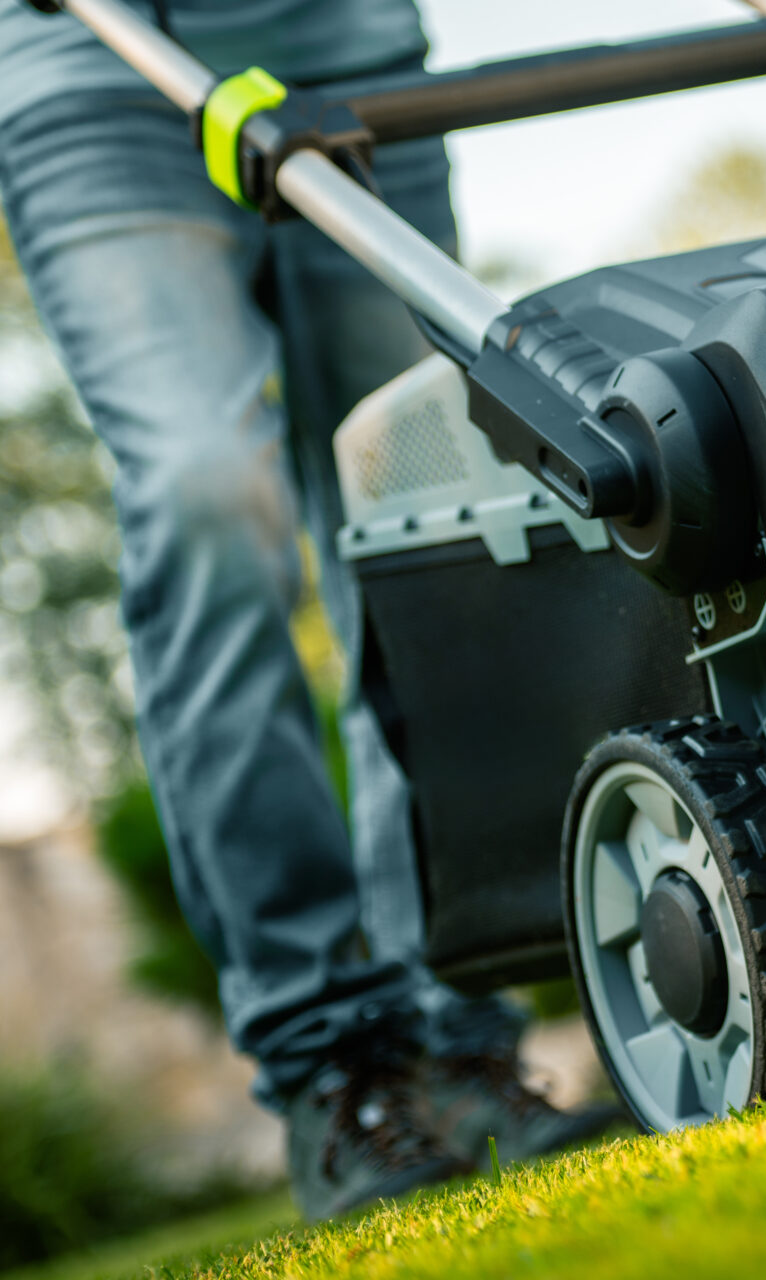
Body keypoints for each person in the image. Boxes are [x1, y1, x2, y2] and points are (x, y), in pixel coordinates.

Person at [0, 0, 623, 1220]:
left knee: (419, 476)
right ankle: (332, 1061)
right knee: (201, 489)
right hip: (94, 60)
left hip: (337, 43)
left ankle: (462, 1037)